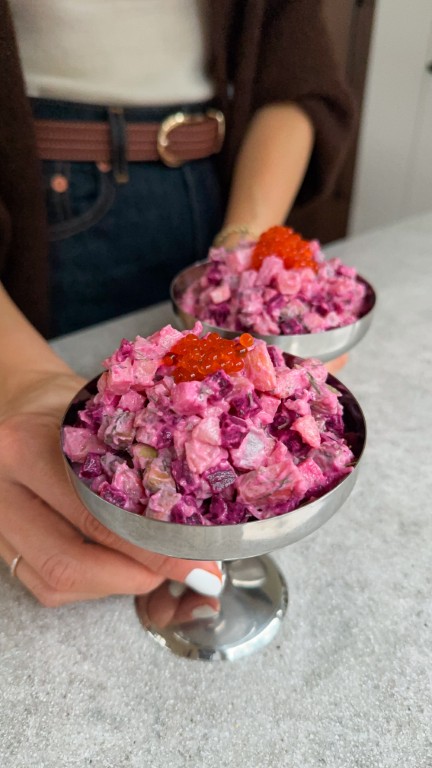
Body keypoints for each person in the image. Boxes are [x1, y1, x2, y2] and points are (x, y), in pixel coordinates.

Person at [0, 0, 355, 623]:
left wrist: (241, 249)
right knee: (54, 474)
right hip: (33, 201)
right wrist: (16, 377)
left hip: (214, 184)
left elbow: (295, 63)